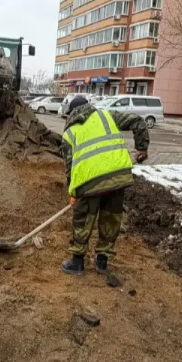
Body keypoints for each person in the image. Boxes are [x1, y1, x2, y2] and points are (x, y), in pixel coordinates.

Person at [60, 96, 149, 276]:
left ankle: (77, 263)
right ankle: (102, 262)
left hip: (89, 182)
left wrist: (74, 192)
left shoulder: (69, 133)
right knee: (111, 219)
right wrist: (142, 148)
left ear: (71, 113)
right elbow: (138, 121)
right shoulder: (107, 115)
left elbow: (69, 168)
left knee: (82, 219)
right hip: (118, 177)